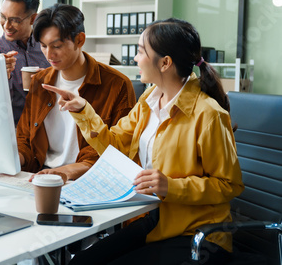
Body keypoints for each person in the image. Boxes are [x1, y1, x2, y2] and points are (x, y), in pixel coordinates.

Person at [43, 18, 245, 264]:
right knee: (81, 262)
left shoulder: (209, 114)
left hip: (197, 233)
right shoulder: (150, 98)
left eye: (140, 52)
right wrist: (84, 110)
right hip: (155, 220)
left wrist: (171, 186)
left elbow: (229, 185)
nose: (135, 59)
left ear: (165, 63)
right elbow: (115, 144)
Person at [17, 3, 135, 182]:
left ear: (80, 40)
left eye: (56, 46)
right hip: (43, 175)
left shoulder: (117, 85)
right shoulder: (39, 81)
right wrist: (15, 159)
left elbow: (119, 149)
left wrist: (68, 171)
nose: (49, 55)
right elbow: (25, 138)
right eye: (43, 46)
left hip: (89, 179)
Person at [0, 0, 51, 126]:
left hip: (48, 129)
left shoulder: (48, 47)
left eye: (15, 20)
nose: (6, 25)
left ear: (33, 19)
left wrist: (51, 78)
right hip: (9, 132)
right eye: (2, 17)